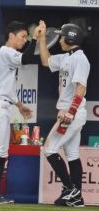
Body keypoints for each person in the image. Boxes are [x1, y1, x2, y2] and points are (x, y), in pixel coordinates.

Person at [0, 21, 41, 204]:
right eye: (23, 36)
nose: (25, 40)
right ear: (11, 36)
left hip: (1, 105)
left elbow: (8, 89)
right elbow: (27, 59)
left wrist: (20, 105)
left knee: (1, 153)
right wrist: (36, 38)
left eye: (26, 37)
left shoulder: (6, 56)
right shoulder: (5, 52)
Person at [38, 21, 89, 207]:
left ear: (70, 38)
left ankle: (71, 189)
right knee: (73, 155)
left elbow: (81, 87)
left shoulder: (80, 59)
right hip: (71, 112)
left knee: (49, 149)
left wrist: (71, 112)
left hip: (72, 113)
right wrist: (42, 38)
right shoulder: (67, 57)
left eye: (62, 36)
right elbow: (46, 60)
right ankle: (78, 199)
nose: (59, 39)